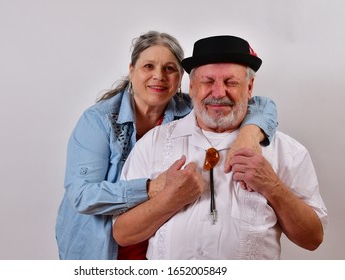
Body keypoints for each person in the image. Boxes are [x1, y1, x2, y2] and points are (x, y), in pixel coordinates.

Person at [55, 31, 278, 260]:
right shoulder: (98, 121)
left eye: (169, 69)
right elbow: (82, 195)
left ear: (182, 78)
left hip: (154, 244)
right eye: (148, 66)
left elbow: (261, 105)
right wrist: (150, 188)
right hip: (100, 244)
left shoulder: (188, 110)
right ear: (132, 71)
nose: (158, 76)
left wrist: (250, 133)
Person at [113, 35, 328, 259]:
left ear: (249, 87)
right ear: (192, 86)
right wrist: (169, 200)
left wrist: (271, 185)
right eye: (207, 81)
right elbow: (122, 233)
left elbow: (313, 238)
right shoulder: (153, 142)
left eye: (231, 82)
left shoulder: (288, 151)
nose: (218, 93)